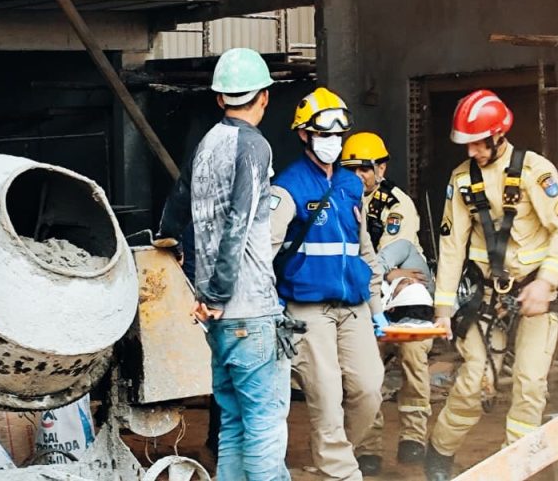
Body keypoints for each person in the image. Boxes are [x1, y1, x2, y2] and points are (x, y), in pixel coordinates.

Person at [423, 90, 558, 481]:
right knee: (475, 381)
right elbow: (452, 245)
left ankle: (515, 466)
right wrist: (443, 310)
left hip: (535, 295)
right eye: (467, 142)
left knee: (529, 384)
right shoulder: (461, 181)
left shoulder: (535, 172)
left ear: (498, 135)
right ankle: (439, 452)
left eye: (478, 141)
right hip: (485, 297)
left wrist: (545, 283)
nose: (472, 150)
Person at [159, 47, 291, 481]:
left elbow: (176, 209)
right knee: (265, 425)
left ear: (220, 99)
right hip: (248, 309)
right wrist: (217, 293)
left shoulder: (208, 143)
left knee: (232, 424)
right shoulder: (254, 146)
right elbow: (238, 221)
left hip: (216, 318)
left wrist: (197, 280)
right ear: (265, 97)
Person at [270, 87, 386, 481]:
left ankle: (333, 462)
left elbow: (363, 249)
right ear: (304, 135)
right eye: (324, 135)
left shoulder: (352, 186)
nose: (332, 143)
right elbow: (265, 251)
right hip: (308, 309)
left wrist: (377, 306)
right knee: (327, 397)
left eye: (338, 136)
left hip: (352, 306)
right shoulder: (288, 187)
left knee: (370, 389)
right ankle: (343, 473)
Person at [339, 132, 434, 474]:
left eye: (365, 168)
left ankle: (413, 436)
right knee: (365, 369)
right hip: (365, 295)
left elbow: (391, 259)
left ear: (381, 166)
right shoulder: (339, 199)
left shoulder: (397, 204)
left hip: (405, 295)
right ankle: (368, 444)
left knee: (413, 358)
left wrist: (385, 272)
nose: (358, 175)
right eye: (351, 168)